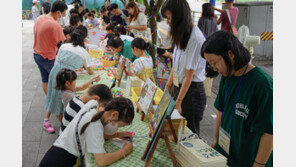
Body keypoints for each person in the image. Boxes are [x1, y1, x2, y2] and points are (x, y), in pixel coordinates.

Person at [201, 31, 273, 167]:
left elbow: (269, 132)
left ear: (230, 54)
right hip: (227, 154)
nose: (214, 68)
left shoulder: (263, 84)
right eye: (210, 64)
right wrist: (216, 140)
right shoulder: (226, 76)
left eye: (214, 62)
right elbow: (221, 110)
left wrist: (259, 164)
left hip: (250, 159)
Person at [39, 98, 135, 167]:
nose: (117, 128)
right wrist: (124, 151)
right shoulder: (95, 125)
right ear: (114, 114)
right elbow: (101, 161)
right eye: (119, 125)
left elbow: (92, 134)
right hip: (61, 161)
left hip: (55, 153)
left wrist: (117, 135)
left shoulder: (93, 105)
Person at [161, 0, 207, 136]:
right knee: (177, 131)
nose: (167, 22)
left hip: (191, 93)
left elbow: (189, 75)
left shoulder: (195, 38)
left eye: (169, 18)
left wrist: (179, 102)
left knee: (189, 134)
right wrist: (168, 86)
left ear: (179, 17)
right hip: (180, 88)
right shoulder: (182, 34)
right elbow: (175, 65)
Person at [44, 26, 94, 133]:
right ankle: (65, 126)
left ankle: (47, 119)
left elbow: (57, 60)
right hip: (67, 76)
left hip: (55, 71)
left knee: (53, 94)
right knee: (61, 99)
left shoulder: (64, 45)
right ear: (83, 39)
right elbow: (90, 70)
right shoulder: (83, 51)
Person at [33, 0, 67, 133]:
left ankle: (49, 107)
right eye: (63, 14)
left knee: (45, 80)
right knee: (56, 87)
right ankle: (57, 117)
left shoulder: (41, 17)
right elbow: (63, 44)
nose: (62, 16)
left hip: (37, 54)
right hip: (48, 57)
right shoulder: (55, 25)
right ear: (58, 12)